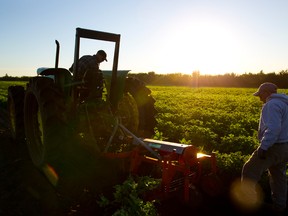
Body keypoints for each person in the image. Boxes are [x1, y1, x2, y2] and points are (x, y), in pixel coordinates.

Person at [241, 82, 288, 214]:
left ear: (266, 93)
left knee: (249, 170)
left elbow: (274, 128)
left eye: (260, 95)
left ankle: (246, 204)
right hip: (285, 147)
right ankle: (280, 206)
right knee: (278, 177)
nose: (260, 98)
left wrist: (264, 146)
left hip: (274, 147)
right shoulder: (285, 103)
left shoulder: (272, 104)